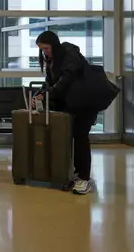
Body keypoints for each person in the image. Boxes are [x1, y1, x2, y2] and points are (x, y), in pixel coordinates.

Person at [34, 30, 97, 195]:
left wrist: (48, 93)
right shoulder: (52, 60)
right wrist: (40, 94)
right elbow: (50, 82)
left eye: (46, 48)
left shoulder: (69, 54)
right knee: (72, 136)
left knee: (80, 136)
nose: (44, 52)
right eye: (42, 49)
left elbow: (66, 80)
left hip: (84, 102)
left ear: (54, 45)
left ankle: (84, 178)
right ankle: (78, 172)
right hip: (71, 103)